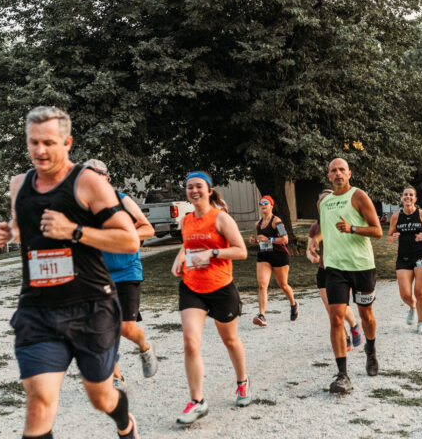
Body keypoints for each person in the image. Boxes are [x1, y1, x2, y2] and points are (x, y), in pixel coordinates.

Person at [0, 107, 144, 439]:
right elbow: (23, 229)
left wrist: (77, 230)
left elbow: (130, 239)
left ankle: (125, 424)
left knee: (101, 397)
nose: (39, 150)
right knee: (39, 404)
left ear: (67, 143)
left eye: (48, 143)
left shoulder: (88, 183)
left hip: (92, 309)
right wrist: (2, 233)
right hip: (38, 312)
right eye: (33, 142)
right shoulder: (19, 185)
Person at [170, 171, 250, 425]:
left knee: (230, 340)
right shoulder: (186, 220)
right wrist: (179, 258)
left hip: (220, 288)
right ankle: (197, 401)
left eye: (198, 187)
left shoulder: (220, 218)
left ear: (209, 190)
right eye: (189, 187)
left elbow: (241, 251)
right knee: (191, 342)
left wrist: (213, 253)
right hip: (192, 287)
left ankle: (242, 381)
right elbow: (188, 244)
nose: (194, 191)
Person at [82, 160, 159, 390]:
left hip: (126, 271)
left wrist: (121, 236)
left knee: (126, 328)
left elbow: (148, 228)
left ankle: (145, 347)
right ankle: (117, 378)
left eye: (93, 176)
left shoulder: (121, 199)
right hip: (97, 275)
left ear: (105, 177)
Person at [319, 158, 382, 393]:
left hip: (362, 266)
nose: (337, 174)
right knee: (336, 317)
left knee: (366, 315)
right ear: (328, 176)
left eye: (341, 170)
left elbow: (377, 230)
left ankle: (371, 350)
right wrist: (319, 252)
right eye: (333, 170)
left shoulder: (358, 196)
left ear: (349, 173)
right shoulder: (324, 203)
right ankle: (342, 374)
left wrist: (352, 228)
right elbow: (325, 233)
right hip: (335, 269)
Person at [306, 192, 363, 351]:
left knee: (340, 307)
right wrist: (313, 257)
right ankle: (345, 339)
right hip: (325, 270)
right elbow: (309, 250)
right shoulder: (316, 226)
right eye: (319, 200)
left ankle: (353, 324)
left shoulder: (345, 221)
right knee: (331, 309)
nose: (322, 201)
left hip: (344, 268)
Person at [388, 186, 422, 334]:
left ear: (415, 199)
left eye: (411, 195)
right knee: (405, 294)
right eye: (405, 194)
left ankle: (421, 323)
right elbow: (389, 237)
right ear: (401, 198)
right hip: (403, 258)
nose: (408, 197)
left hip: (421, 256)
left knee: (420, 292)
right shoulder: (396, 216)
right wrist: (393, 237)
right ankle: (412, 307)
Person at [248, 195, 297, 327]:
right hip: (264, 256)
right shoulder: (257, 224)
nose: (263, 204)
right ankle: (262, 315)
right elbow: (261, 239)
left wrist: (269, 239)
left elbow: (285, 239)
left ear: (271, 205)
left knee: (283, 285)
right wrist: (255, 240)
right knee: (262, 285)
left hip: (279, 255)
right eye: (261, 203)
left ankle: (293, 304)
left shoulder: (277, 221)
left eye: (266, 202)